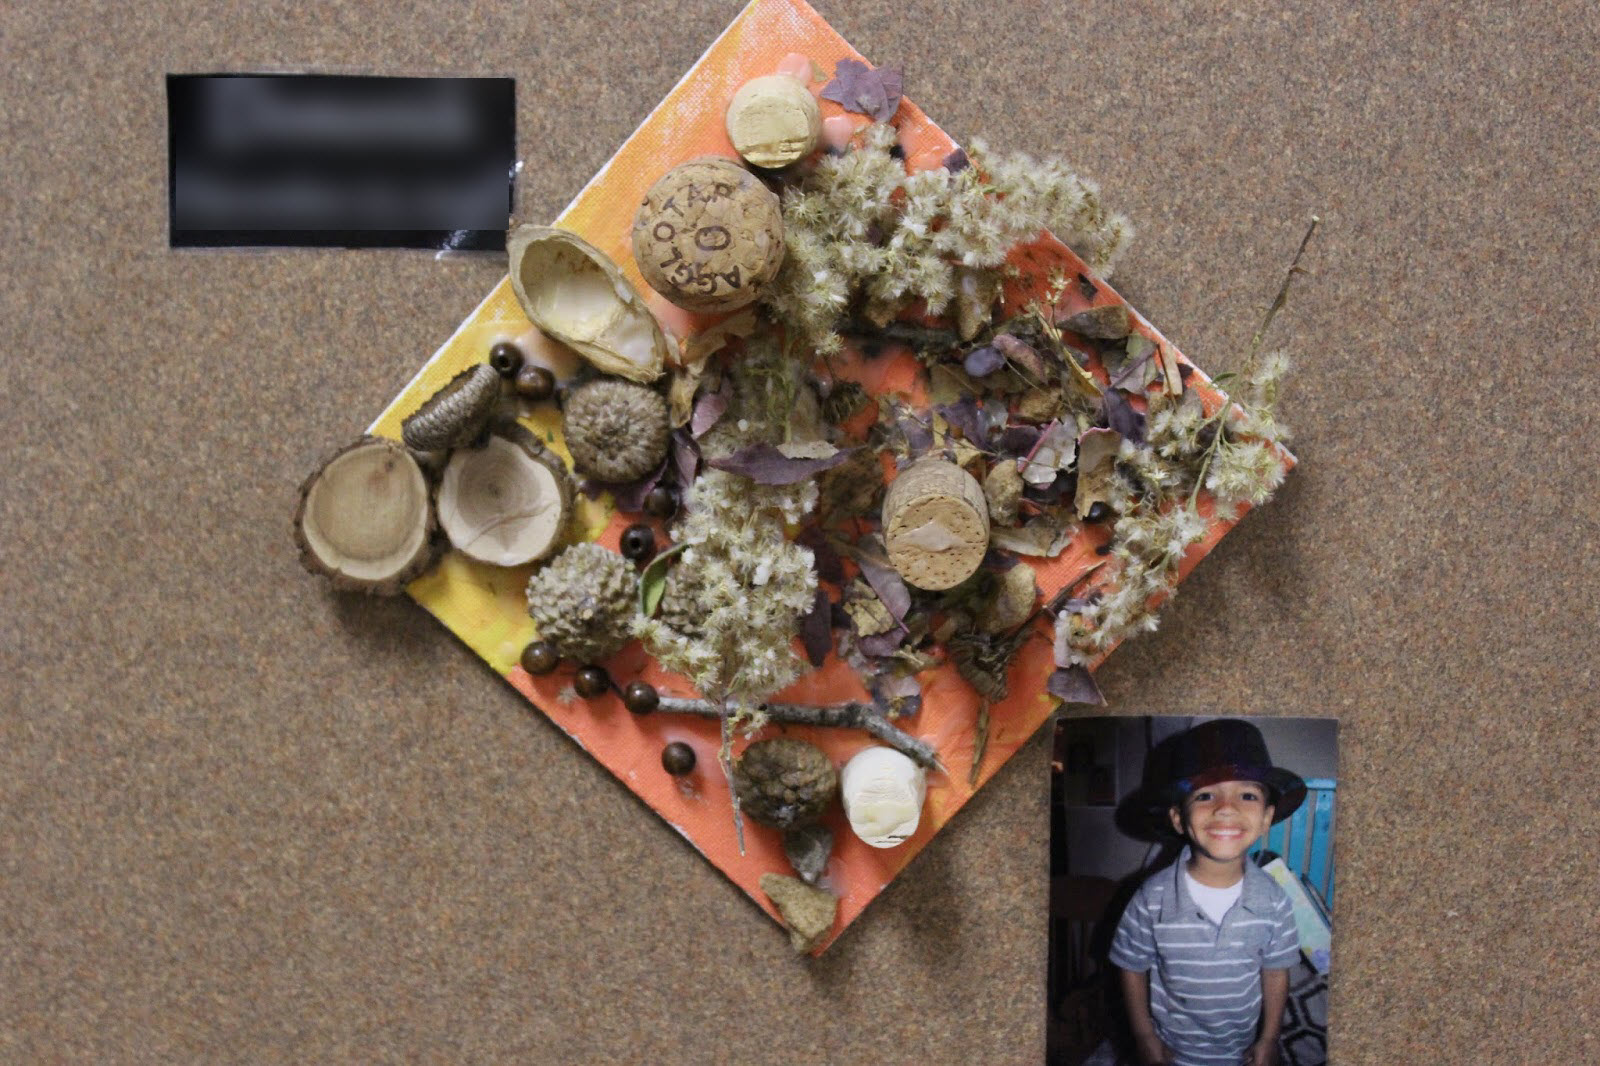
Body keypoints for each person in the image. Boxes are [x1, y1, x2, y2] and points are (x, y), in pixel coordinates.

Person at [1109, 720, 1305, 1066]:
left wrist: (1270, 1038)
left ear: (1266, 818)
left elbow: (1276, 971)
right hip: (1172, 1054)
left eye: (1247, 795)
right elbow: (1131, 965)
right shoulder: (1151, 898)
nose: (1226, 807)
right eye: (1204, 795)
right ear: (1178, 819)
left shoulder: (1275, 900)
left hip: (1240, 1055)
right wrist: (1143, 1036)